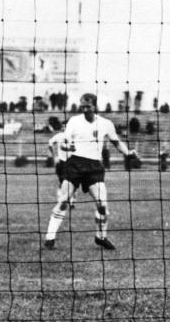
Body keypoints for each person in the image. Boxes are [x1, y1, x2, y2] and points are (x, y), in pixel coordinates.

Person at [44, 93, 136, 251]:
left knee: (102, 204)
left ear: (95, 106)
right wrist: (68, 147)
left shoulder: (106, 124)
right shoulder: (74, 121)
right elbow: (65, 143)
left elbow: (116, 142)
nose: (85, 108)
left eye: (88, 106)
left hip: (94, 166)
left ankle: (101, 237)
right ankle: (50, 237)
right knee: (64, 200)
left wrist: (128, 153)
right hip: (75, 164)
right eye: (83, 106)